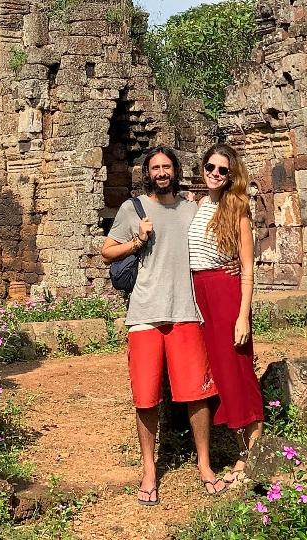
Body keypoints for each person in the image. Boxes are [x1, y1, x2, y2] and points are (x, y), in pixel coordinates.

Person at [100, 146, 228, 506]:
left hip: (186, 312)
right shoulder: (132, 209)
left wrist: (234, 266)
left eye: (166, 166)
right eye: (155, 167)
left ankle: (204, 464)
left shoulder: (191, 208)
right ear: (147, 173)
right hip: (144, 314)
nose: (161, 172)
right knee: (145, 397)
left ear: (175, 171)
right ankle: (148, 469)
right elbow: (106, 251)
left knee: (198, 395)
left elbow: (215, 241)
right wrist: (137, 239)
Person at [186, 143, 263, 483]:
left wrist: (243, 315)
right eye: (211, 167)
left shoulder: (238, 211)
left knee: (238, 371)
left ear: (232, 176)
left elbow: (247, 267)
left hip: (226, 294)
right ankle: (239, 447)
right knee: (217, 372)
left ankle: (251, 454)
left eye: (223, 170)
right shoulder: (199, 205)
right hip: (198, 293)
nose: (215, 174)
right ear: (203, 169)